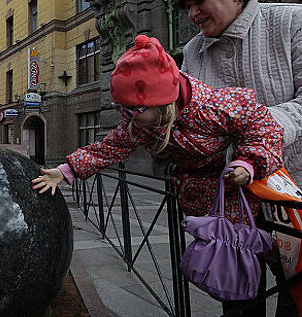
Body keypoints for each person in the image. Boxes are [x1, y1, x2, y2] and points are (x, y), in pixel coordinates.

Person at [31, 35, 287, 315]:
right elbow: (110, 147)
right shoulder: (141, 121)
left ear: (164, 102)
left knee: (276, 274)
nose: (126, 116)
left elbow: (264, 127)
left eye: (133, 109)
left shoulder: (214, 107)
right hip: (207, 209)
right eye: (121, 109)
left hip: (252, 200)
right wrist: (65, 171)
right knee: (234, 283)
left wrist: (248, 162)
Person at [176, 0, 302, 187]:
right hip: (222, 198)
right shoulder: (192, 50)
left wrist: (257, 127)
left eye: (199, 1)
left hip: (292, 187)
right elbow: (186, 116)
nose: (192, 14)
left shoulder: (292, 21)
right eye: (188, 7)